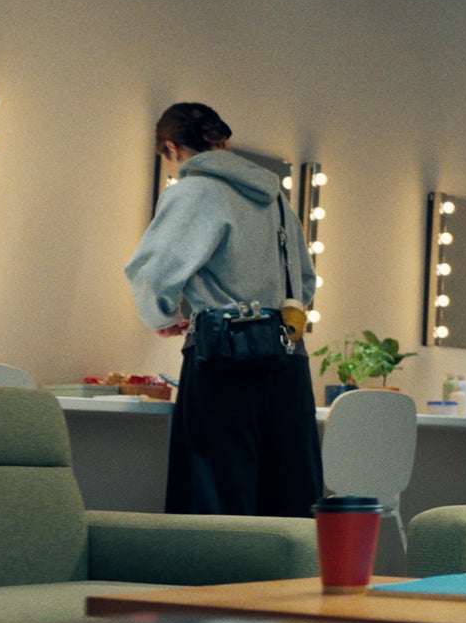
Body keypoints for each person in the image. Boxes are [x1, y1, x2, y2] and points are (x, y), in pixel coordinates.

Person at [124, 102, 322, 516]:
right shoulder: (277, 199)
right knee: (288, 499)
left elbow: (154, 273)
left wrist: (162, 317)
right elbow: (304, 282)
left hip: (223, 359)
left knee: (216, 501)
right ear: (222, 142)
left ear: (171, 147)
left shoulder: (193, 191)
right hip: (288, 362)